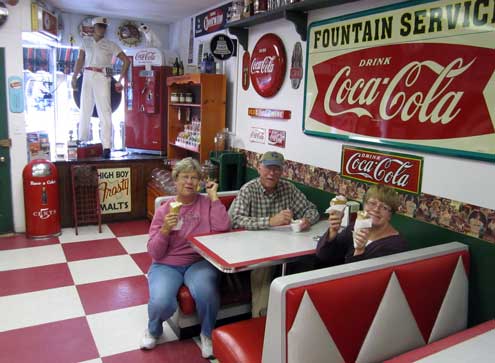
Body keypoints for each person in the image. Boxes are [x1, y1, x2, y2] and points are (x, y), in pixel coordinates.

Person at [141, 157, 230, 358]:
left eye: (194, 178)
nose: (189, 182)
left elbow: (223, 228)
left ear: (200, 181)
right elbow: (154, 252)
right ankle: (154, 330)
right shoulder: (165, 209)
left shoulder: (207, 203)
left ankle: (207, 334)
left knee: (207, 292)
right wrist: (165, 229)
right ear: (175, 180)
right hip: (166, 264)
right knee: (161, 301)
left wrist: (214, 197)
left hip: (199, 262)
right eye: (184, 177)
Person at [228, 151, 319, 317]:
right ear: (259, 168)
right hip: (253, 249)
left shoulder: (288, 188)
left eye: (277, 169)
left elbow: (311, 209)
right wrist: (270, 221)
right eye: (268, 168)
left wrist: (306, 220)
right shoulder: (248, 190)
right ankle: (261, 319)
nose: (272, 173)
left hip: (283, 247)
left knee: (308, 260)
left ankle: (296, 315)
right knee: (265, 267)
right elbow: (234, 220)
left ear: (282, 171)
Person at [71, 16, 130, 159]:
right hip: (87, 75)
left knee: (105, 111)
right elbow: (80, 60)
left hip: (103, 76)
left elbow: (126, 61)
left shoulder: (110, 44)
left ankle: (107, 147)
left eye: (104, 27)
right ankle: (82, 140)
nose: (101, 29)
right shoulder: (85, 42)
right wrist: (74, 76)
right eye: (99, 26)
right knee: (85, 108)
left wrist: (120, 80)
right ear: (94, 27)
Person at [316, 184, 408, 266]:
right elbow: (324, 256)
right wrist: (333, 231)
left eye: (384, 207)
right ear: (364, 205)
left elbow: (358, 278)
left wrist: (359, 250)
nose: (376, 209)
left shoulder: (396, 246)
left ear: (390, 215)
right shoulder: (354, 227)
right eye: (372, 203)